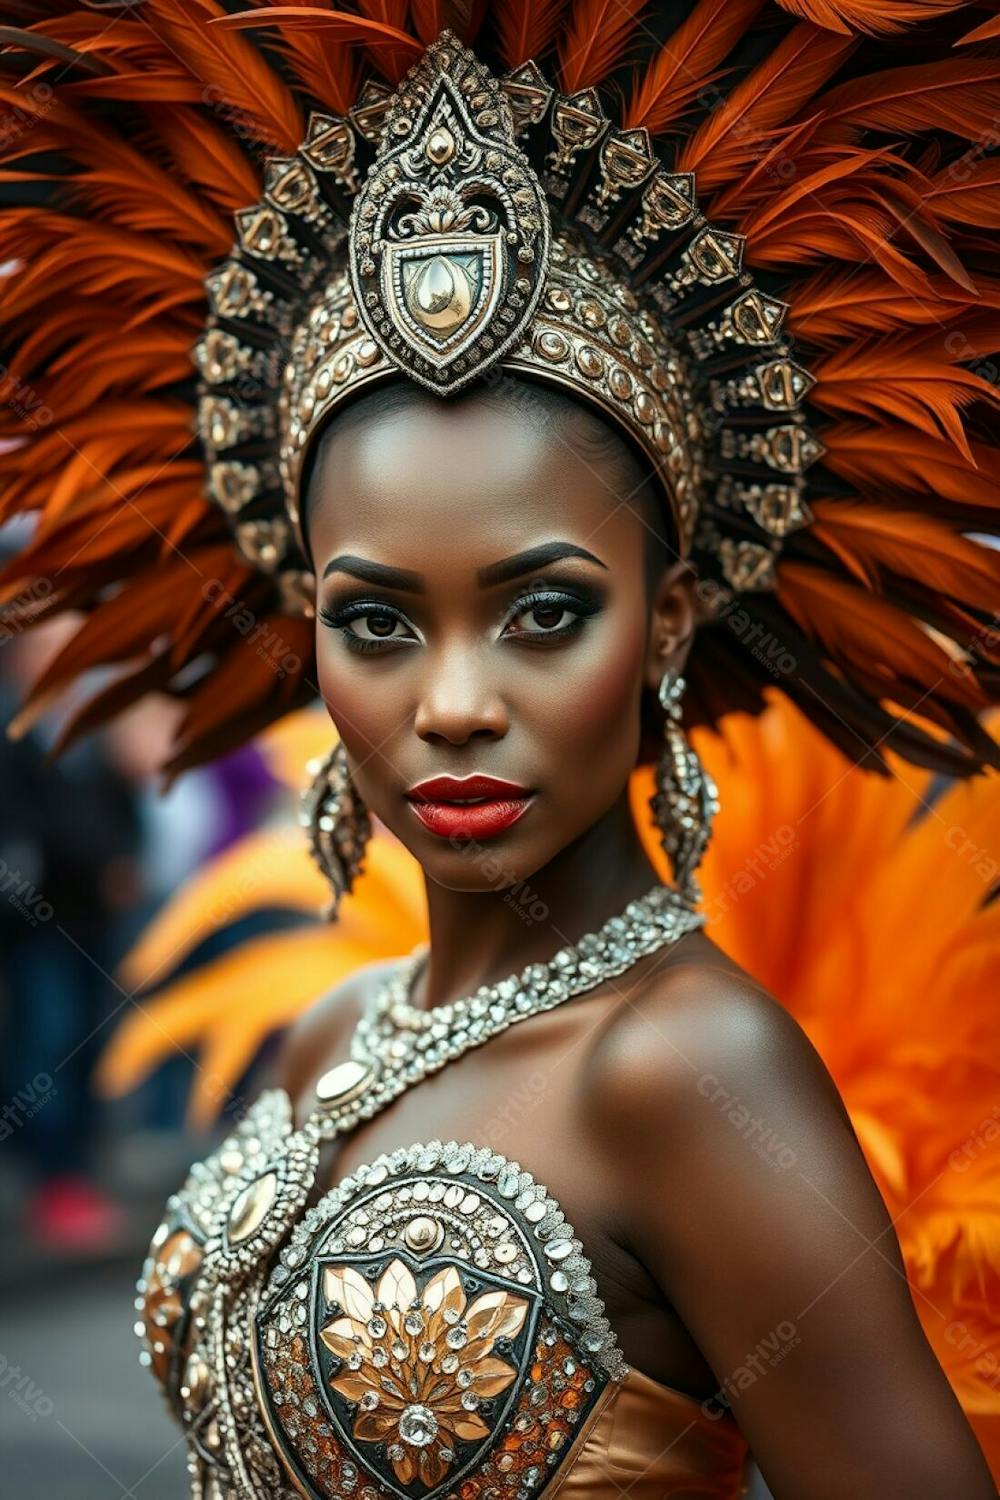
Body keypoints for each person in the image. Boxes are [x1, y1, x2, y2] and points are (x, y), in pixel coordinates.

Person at [0, 6, 997, 1497]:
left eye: (543, 612)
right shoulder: (330, 1033)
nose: (454, 702)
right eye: (380, 622)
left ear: (664, 626)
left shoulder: (684, 1069)